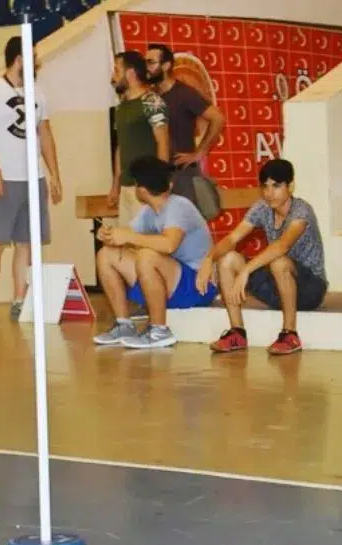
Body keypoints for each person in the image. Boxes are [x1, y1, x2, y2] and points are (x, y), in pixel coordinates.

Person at [0, 35, 63, 326]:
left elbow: (45, 134)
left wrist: (54, 174)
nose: (37, 62)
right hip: (4, 179)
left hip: (33, 180)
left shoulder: (39, 94)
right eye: (33, 57)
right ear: (19, 59)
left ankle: (20, 301)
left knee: (27, 243)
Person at [197, 158, 328, 355]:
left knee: (278, 261)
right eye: (265, 187)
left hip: (310, 290)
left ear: (290, 186)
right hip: (278, 285)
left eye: (276, 186)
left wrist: (246, 271)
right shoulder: (262, 207)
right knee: (227, 259)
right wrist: (209, 259)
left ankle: (290, 334)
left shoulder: (302, 211)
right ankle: (237, 333)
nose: (269, 193)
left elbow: (282, 246)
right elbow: (232, 238)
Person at [93, 155, 217, 350]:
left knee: (147, 256)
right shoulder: (149, 210)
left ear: (141, 190)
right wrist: (109, 235)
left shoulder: (179, 206)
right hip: (175, 280)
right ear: (169, 184)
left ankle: (159, 330)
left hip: (198, 285)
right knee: (106, 254)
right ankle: (124, 324)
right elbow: (128, 233)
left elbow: (169, 245)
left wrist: (128, 237)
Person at [145, 44, 225, 210]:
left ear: (166, 66)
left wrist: (200, 152)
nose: (147, 67)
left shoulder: (184, 93)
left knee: (184, 222)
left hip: (181, 174)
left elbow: (218, 118)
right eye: (145, 62)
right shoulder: (152, 97)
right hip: (160, 174)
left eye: (151, 62)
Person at [108, 50, 169, 228]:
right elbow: (121, 147)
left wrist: (159, 185)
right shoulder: (121, 107)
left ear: (130, 73)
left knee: (146, 241)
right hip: (127, 187)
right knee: (125, 241)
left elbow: (163, 142)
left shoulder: (151, 101)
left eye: (117, 70)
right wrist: (115, 186)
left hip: (146, 189)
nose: (113, 76)